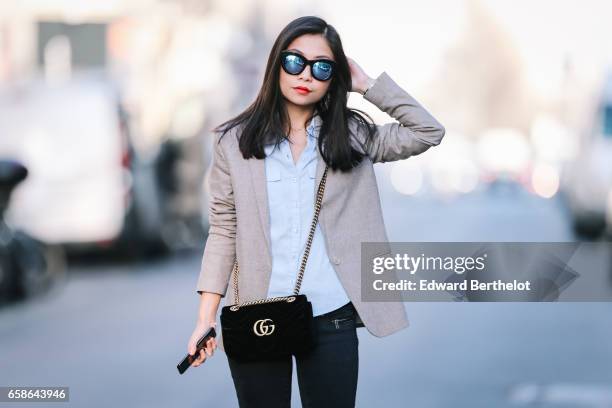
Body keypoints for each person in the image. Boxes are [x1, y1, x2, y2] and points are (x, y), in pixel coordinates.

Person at [186, 15, 445, 408]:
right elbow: (223, 231)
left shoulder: (353, 136)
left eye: (322, 67)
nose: (306, 74)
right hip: (259, 314)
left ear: (333, 77)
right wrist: (205, 318)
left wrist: (368, 85)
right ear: (277, 64)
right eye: (295, 61)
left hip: (331, 315)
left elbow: (428, 132)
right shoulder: (233, 143)